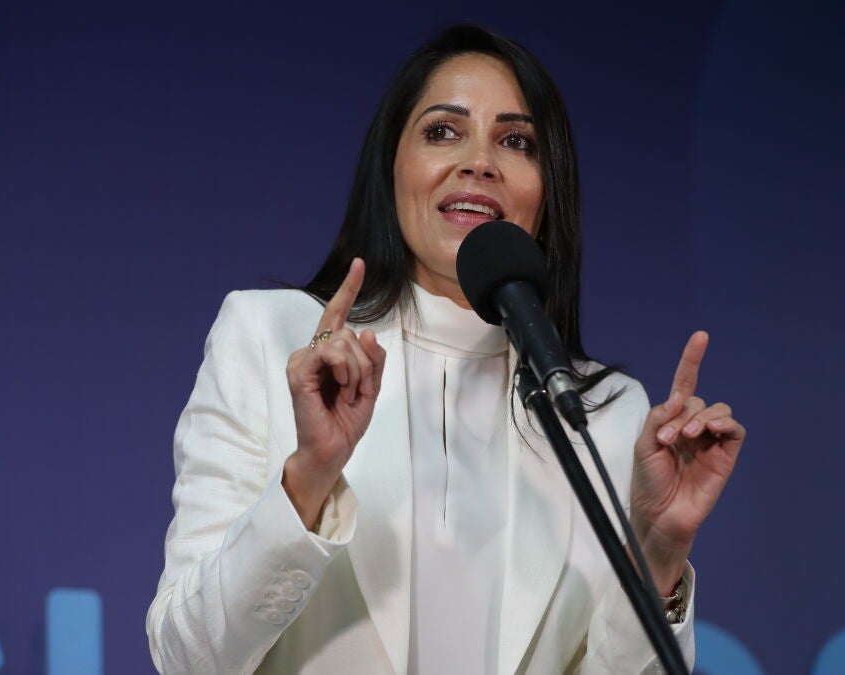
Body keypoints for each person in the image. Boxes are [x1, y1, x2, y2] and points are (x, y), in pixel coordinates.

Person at [146, 25, 745, 674]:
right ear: (393, 167)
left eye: (516, 142)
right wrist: (309, 477)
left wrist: (659, 553)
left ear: (547, 190)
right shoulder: (270, 337)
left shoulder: (604, 411)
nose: (479, 162)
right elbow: (186, 657)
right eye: (442, 131)